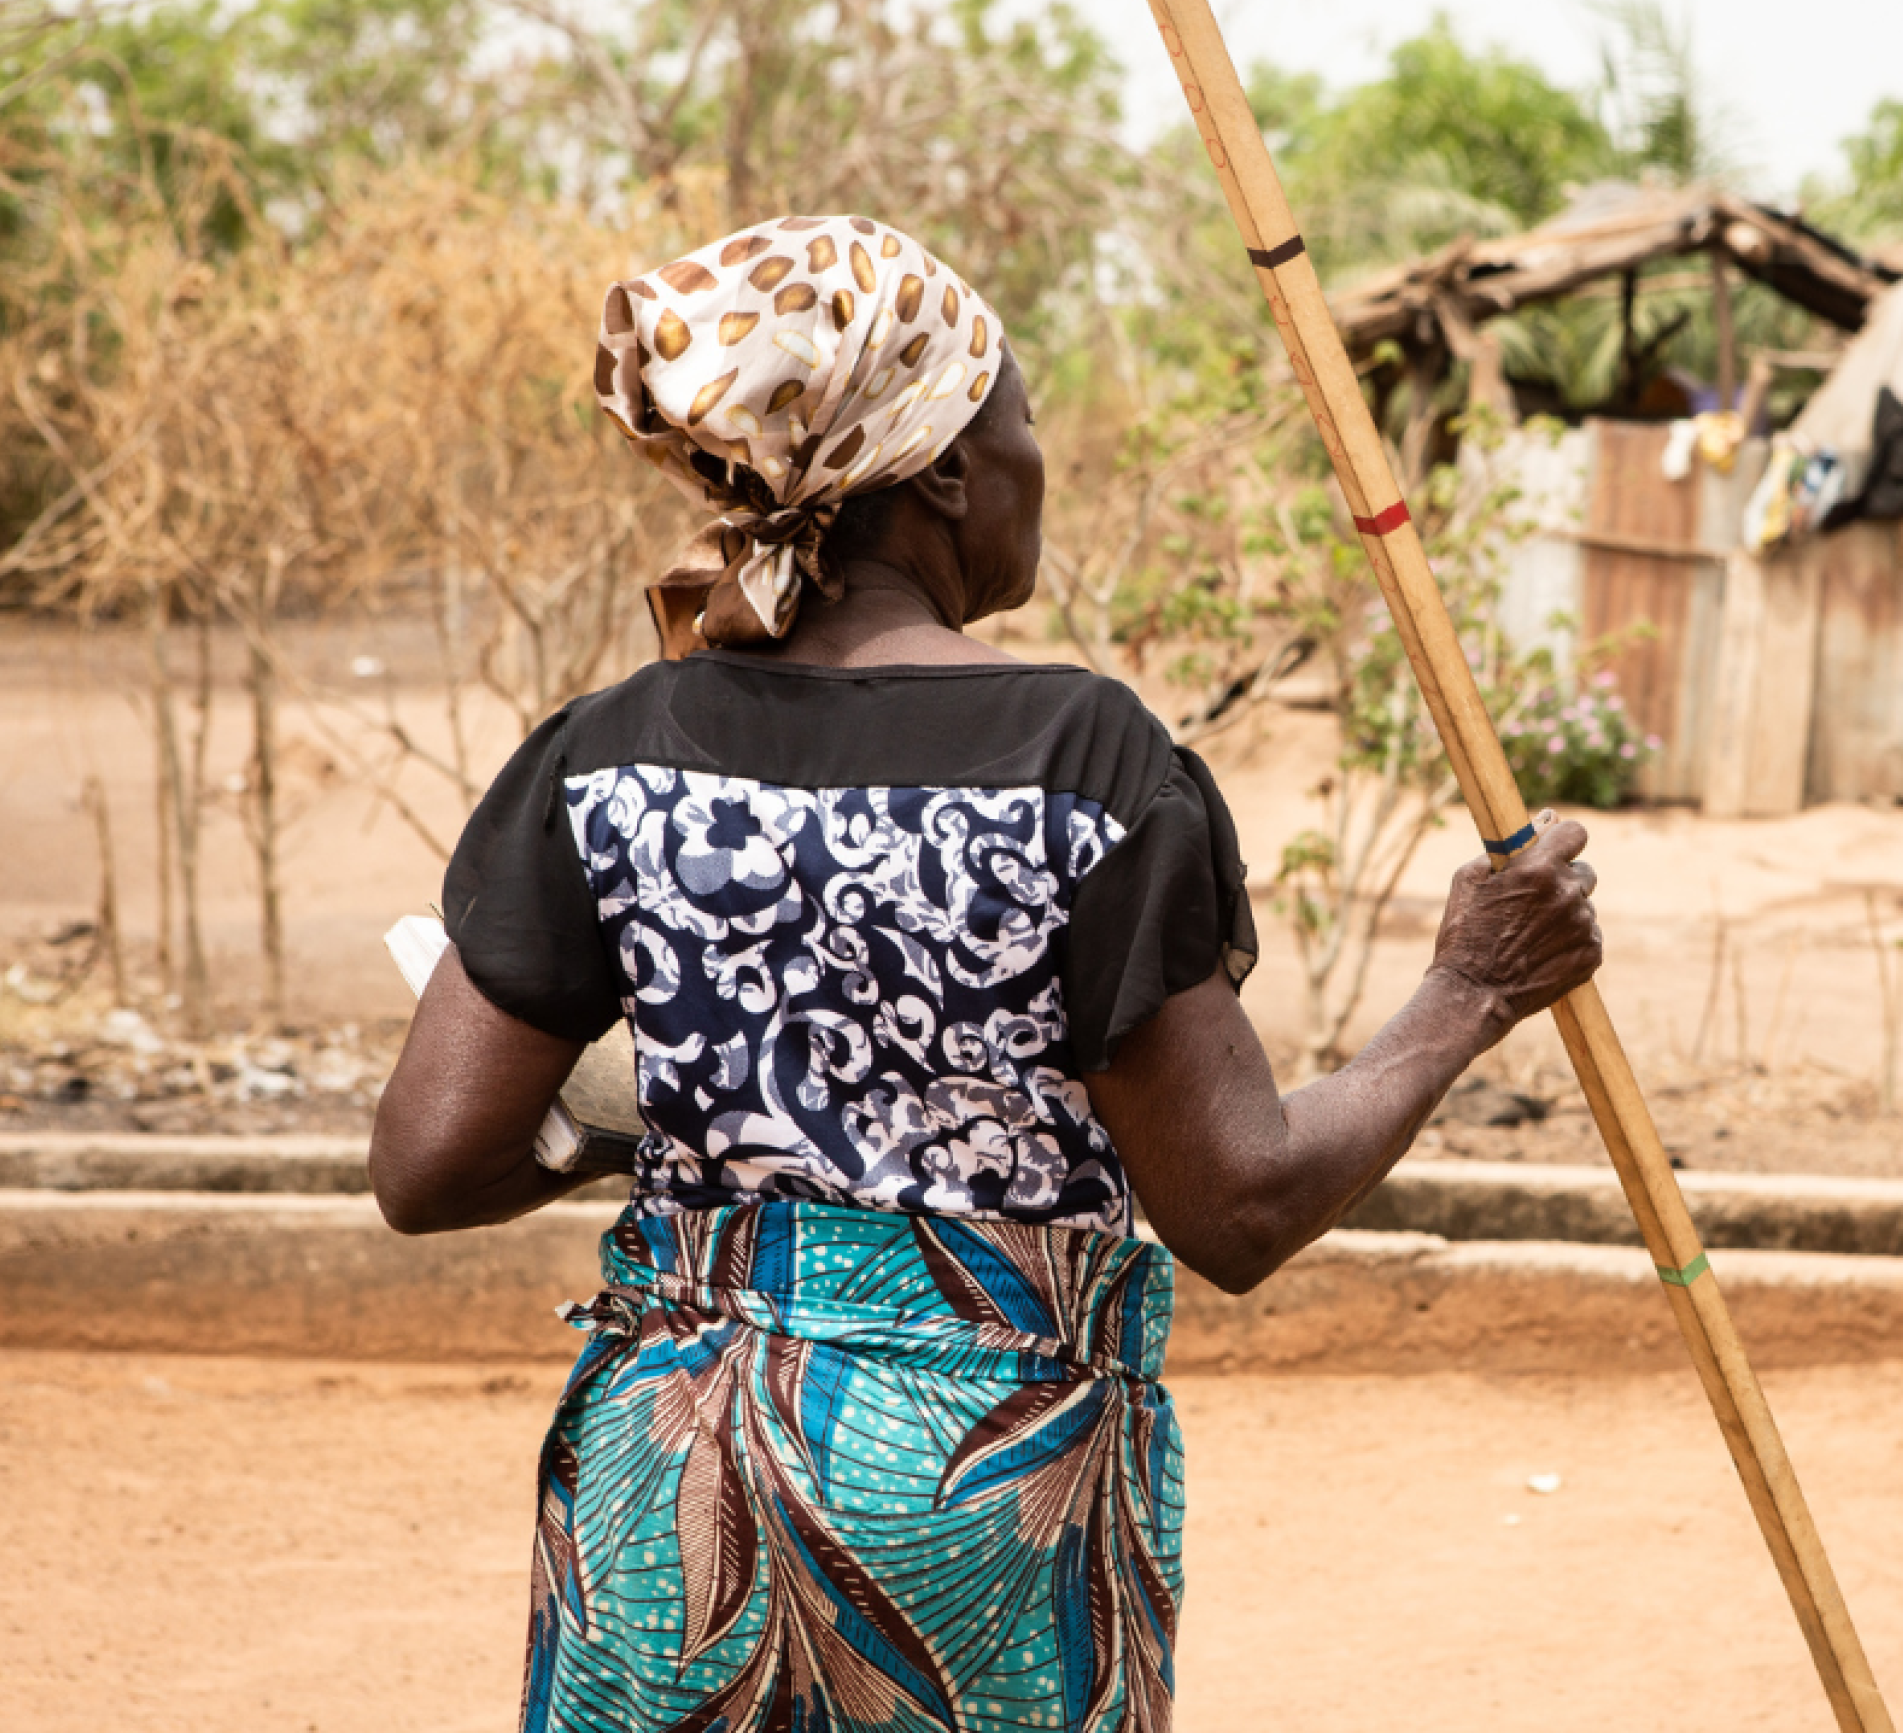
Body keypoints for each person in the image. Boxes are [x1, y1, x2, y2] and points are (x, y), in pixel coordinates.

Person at [370, 213, 1603, 1733]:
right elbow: (1239, 1203)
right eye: (1016, 416)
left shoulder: (607, 750)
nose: (1037, 459)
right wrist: (1467, 995)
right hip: (979, 1488)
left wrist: (654, 1144)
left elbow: (432, 1163)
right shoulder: (1082, 762)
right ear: (944, 468)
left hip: (672, 1473)